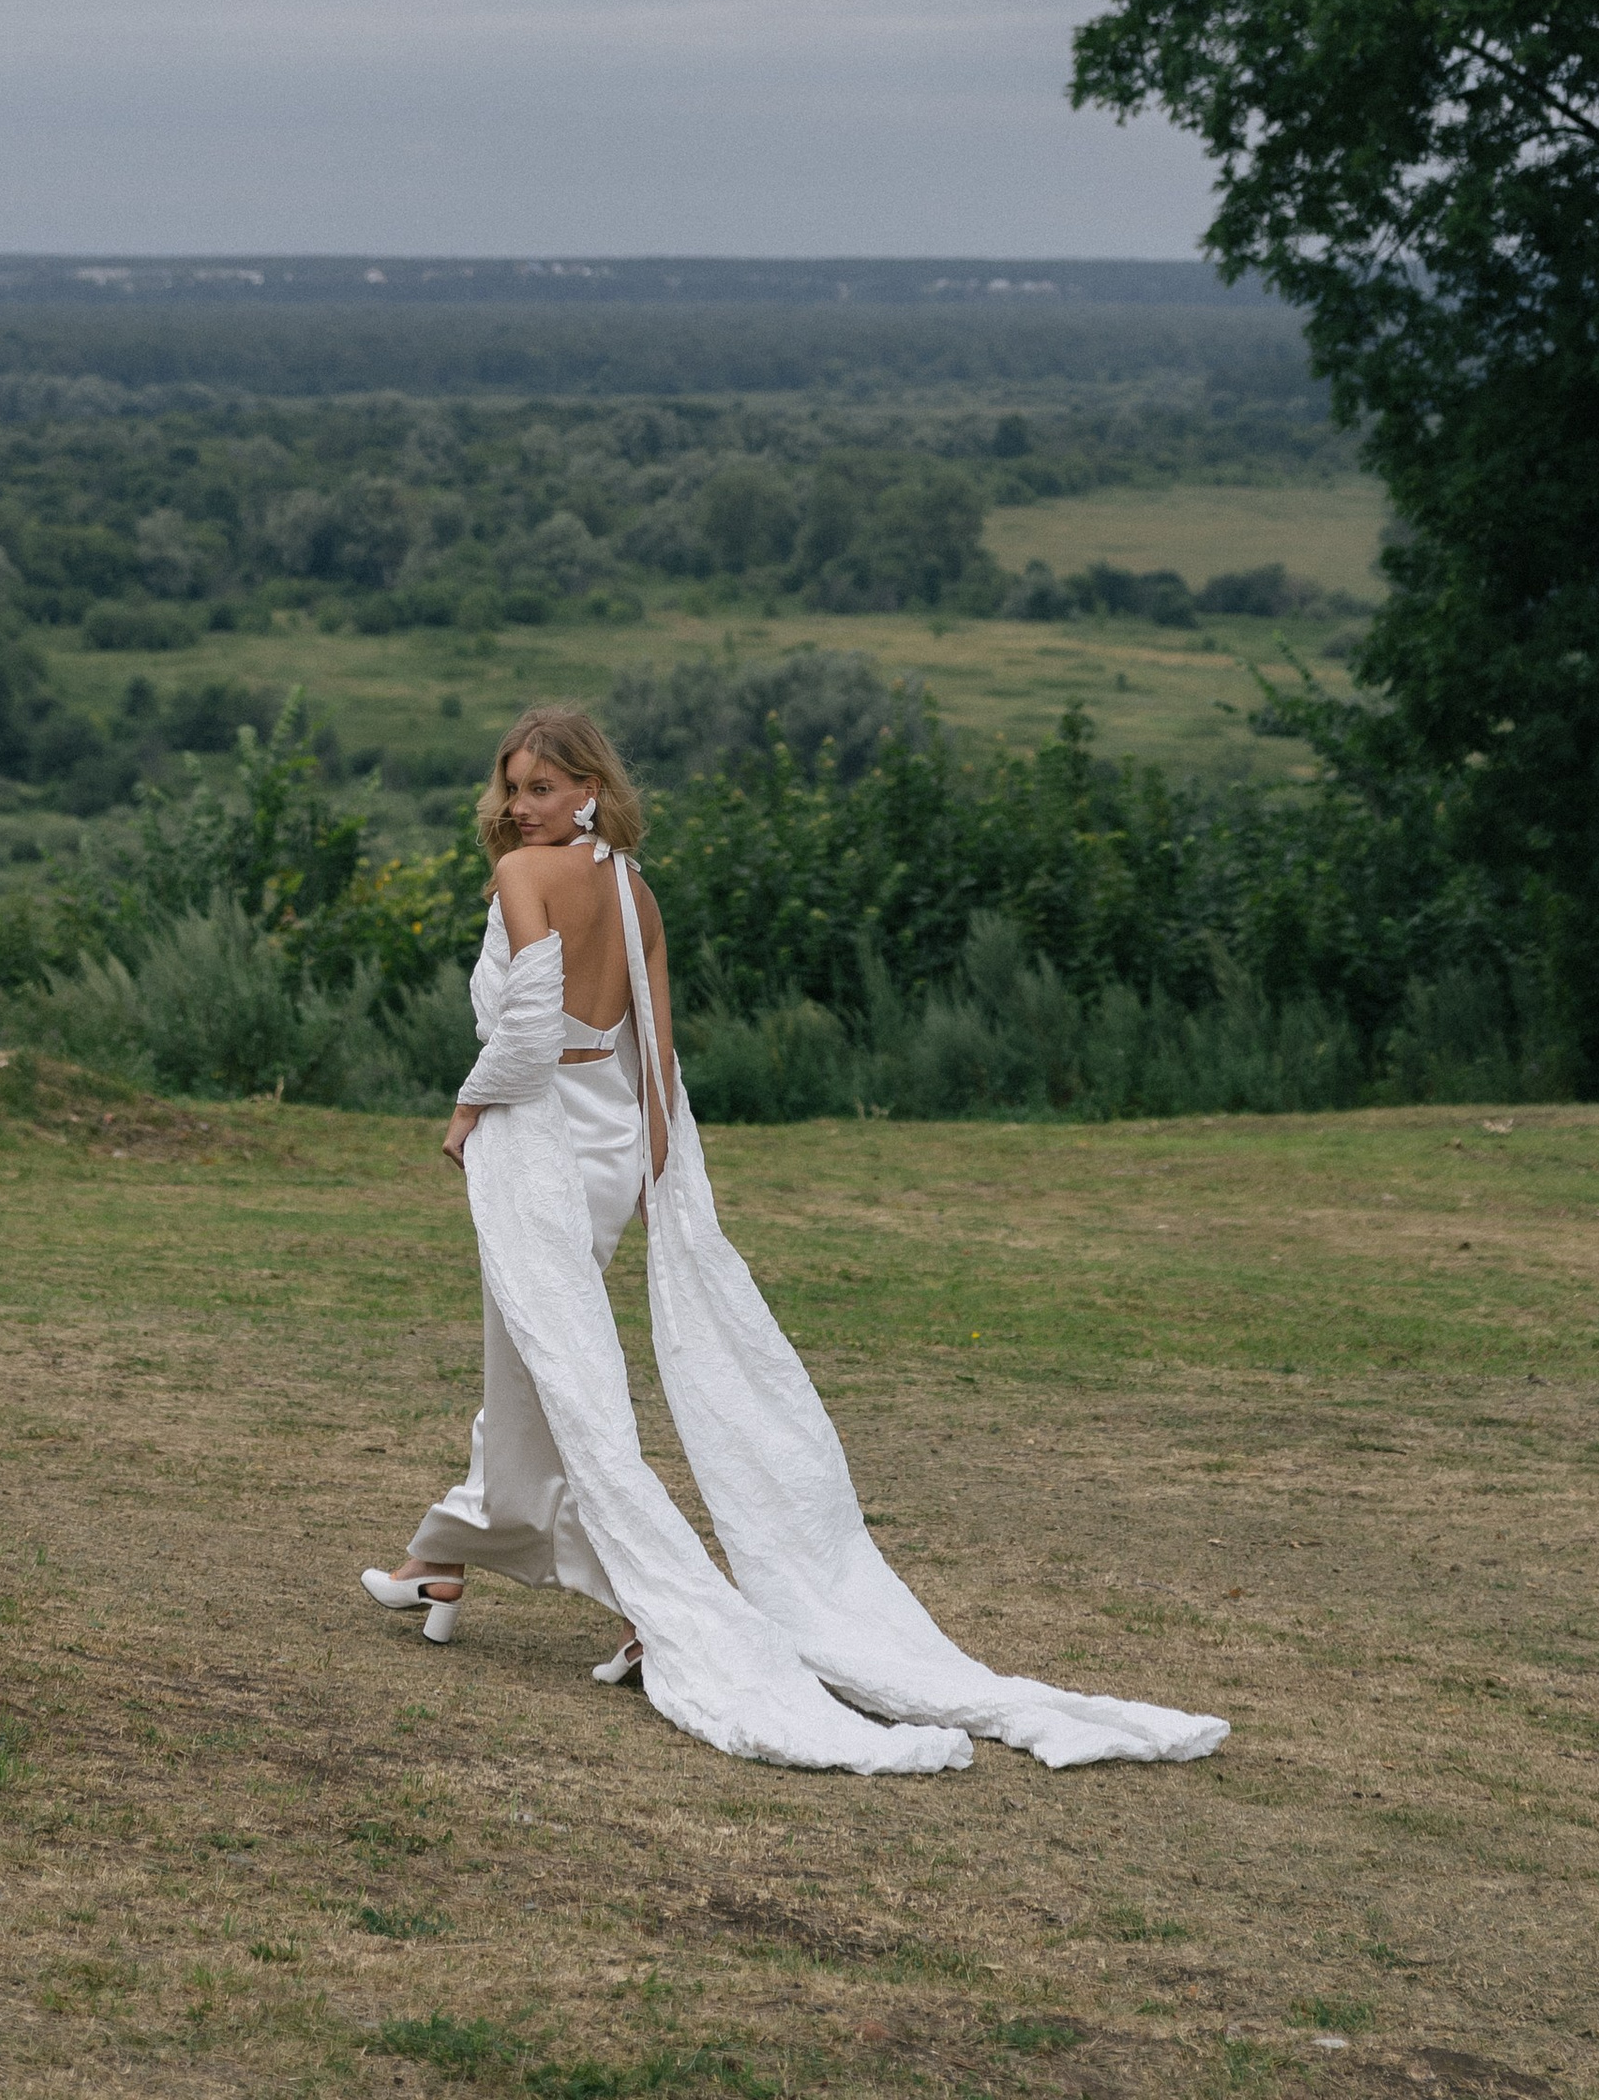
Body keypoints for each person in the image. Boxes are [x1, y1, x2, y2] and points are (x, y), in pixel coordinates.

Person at [361, 704, 1226, 1778]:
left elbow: (532, 1029)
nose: (519, 806)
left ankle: (643, 1606)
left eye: (542, 787)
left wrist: (464, 1114)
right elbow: (656, 1041)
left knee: (553, 1372)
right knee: (540, 1367)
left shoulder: (526, 880)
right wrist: (654, 1159)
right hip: (609, 1137)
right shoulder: (629, 885)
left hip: (538, 1135)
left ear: (589, 789)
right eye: (512, 786)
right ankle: (437, 1560)